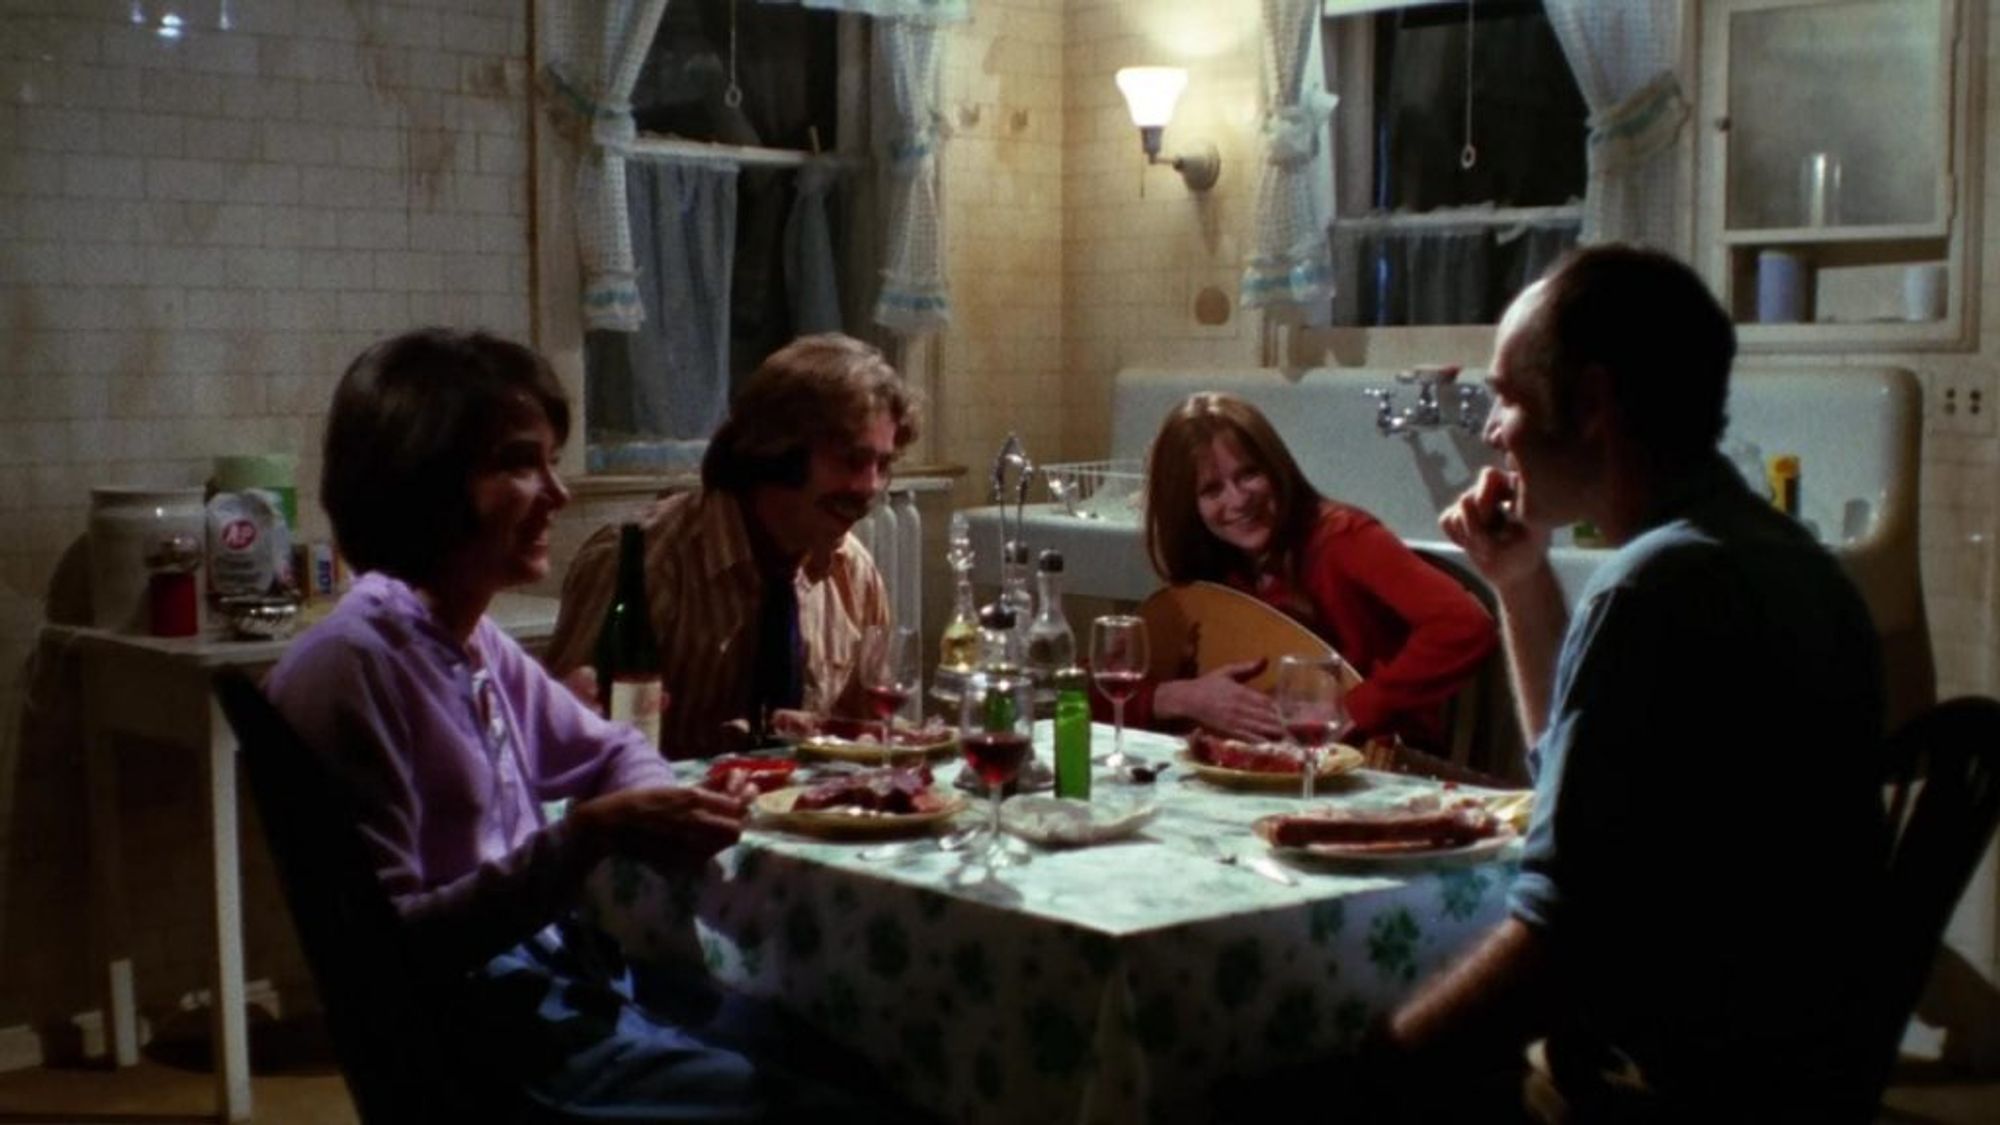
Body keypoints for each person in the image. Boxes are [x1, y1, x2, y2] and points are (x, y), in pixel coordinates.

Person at [265, 328, 851, 1120]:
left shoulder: (468, 639)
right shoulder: (352, 665)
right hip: (485, 1045)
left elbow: (612, 745)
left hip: (567, 979)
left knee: (844, 1052)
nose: (559, 491)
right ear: (423, 478)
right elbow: (390, 957)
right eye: (518, 462)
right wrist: (587, 837)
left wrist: (665, 813)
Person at [1380, 246, 1889, 1120]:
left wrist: (1373, 1066)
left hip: (1665, 1086)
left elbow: (1558, 944)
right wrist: (1519, 578)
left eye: (1507, 395)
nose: (1493, 430)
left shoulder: (1651, 591)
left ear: (1589, 404)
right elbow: (1570, 795)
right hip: (1807, 1074)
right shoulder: (1791, 561)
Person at [546, 333, 917, 758]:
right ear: (778, 453)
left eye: (883, 465)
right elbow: (562, 749)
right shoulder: (646, 563)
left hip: (800, 818)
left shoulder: (852, 571)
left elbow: (867, 735)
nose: (870, 487)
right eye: (851, 460)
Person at [1128, 392, 1496, 750]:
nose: (1239, 500)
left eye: (1250, 474)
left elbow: (1465, 624)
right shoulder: (1213, 569)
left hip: (1371, 765)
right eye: (1212, 490)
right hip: (1259, 768)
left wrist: (1355, 709)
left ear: (1276, 467)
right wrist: (1180, 698)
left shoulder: (1342, 539)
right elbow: (1089, 688)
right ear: (1186, 508)